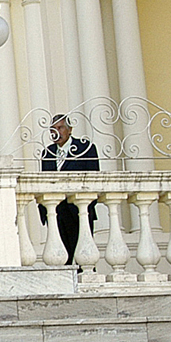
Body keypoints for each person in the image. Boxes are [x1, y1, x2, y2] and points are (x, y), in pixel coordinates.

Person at [39, 113, 101, 264]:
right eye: (53, 129)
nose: (56, 132)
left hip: (80, 211)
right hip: (57, 212)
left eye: (60, 128)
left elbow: (94, 178)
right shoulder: (47, 153)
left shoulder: (85, 148)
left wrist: (89, 207)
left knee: (84, 257)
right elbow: (44, 183)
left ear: (69, 129)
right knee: (62, 258)